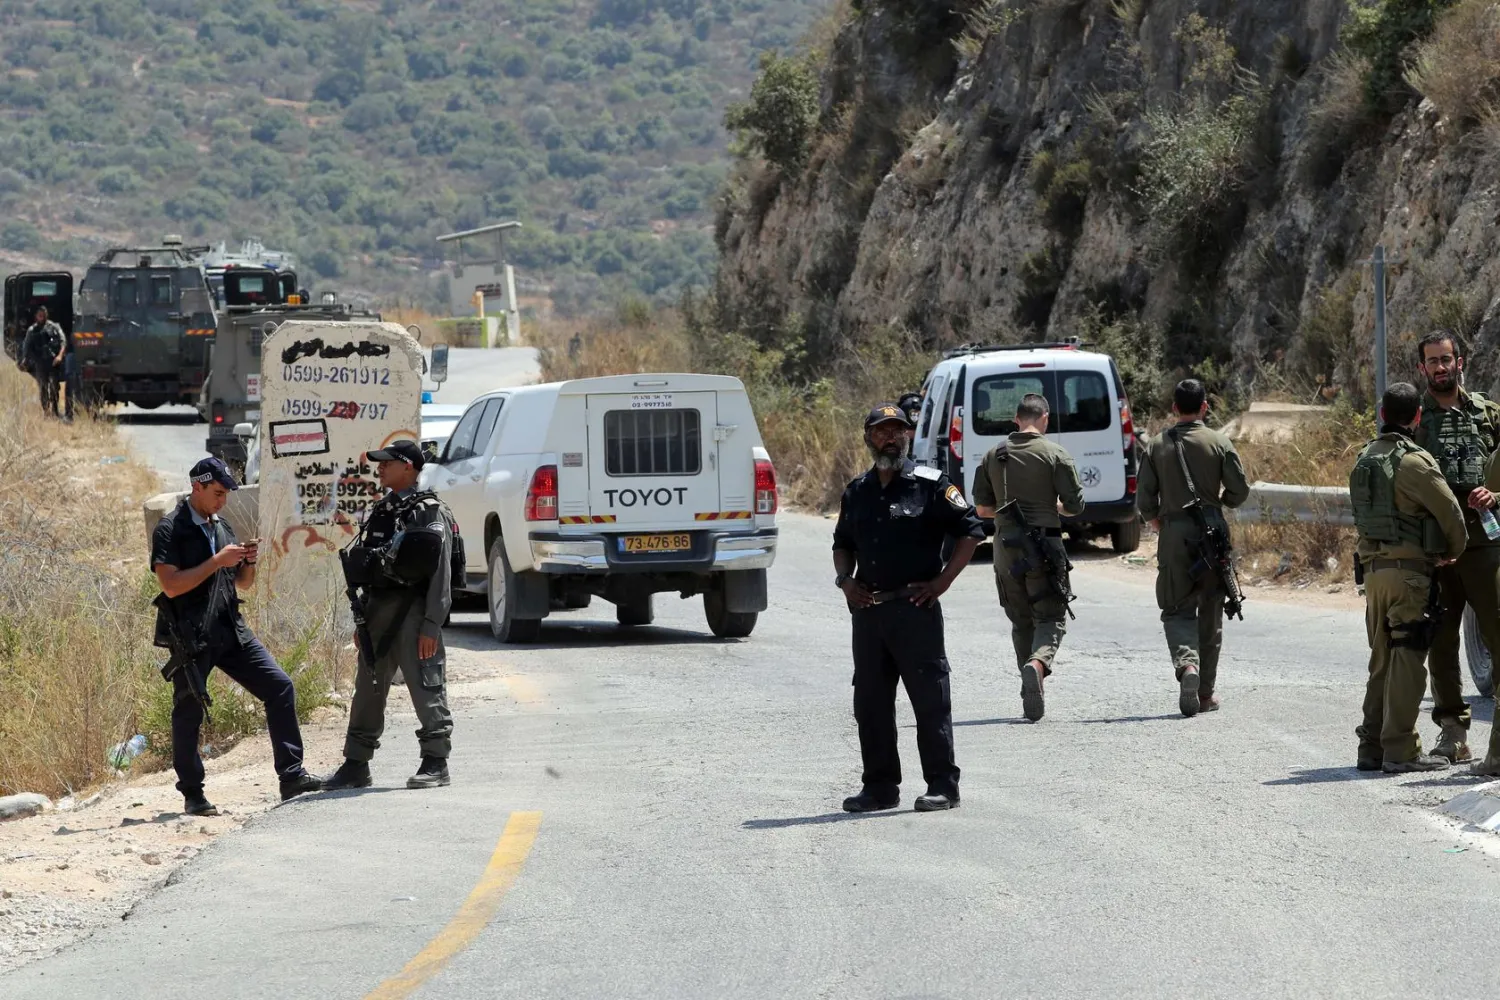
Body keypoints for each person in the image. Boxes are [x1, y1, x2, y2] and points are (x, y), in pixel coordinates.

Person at [832, 403, 984, 813]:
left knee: (929, 701)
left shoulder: (931, 485)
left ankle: (942, 786)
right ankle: (879, 788)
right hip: (869, 616)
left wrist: (942, 582)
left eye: (898, 430)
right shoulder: (857, 491)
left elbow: (971, 531)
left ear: (908, 437)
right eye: (882, 431)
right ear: (868, 438)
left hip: (915, 611)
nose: (891, 437)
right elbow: (842, 544)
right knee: (871, 705)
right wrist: (845, 583)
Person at [150, 458, 322, 816]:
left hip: (232, 630)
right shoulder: (171, 529)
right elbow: (170, 585)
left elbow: (242, 584)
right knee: (188, 710)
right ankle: (193, 793)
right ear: (197, 487)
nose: (221, 501)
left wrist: (248, 562)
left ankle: (291, 775)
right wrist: (217, 561)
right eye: (216, 493)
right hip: (192, 637)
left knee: (280, 686)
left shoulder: (222, 527)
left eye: (225, 494)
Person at [323, 440, 456, 791]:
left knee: (425, 684)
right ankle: (356, 764)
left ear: (408, 468)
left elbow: (441, 573)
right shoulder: (382, 509)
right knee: (367, 688)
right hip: (378, 612)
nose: (379, 469)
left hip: (414, 613)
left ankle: (435, 761)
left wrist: (432, 623)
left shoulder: (429, 511)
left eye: (387, 463)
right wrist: (362, 619)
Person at [1351, 383, 1468, 773]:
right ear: (1417, 417)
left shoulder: (1363, 457)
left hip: (1373, 575)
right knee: (1408, 660)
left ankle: (1370, 746)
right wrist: (1453, 552)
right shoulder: (1415, 462)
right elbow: (1451, 514)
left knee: (1381, 660)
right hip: (1410, 577)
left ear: (1383, 415)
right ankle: (1400, 749)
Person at [1137, 379, 1250, 717]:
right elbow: (1239, 491)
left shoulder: (1156, 446)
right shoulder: (1220, 442)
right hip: (1212, 532)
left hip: (1174, 534)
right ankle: (1204, 695)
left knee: (1176, 608)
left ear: (1175, 409)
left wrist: (1159, 523)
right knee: (1212, 612)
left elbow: (1145, 501)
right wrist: (1218, 505)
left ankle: (1188, 666)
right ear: (1205, 406)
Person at [1413, 331, 1500, 764]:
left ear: (1459, 362)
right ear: (1422, 368)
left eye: (1446, 359)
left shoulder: (1487, 413)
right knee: (1442, 643)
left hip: (1485, 545)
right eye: (1433, 361)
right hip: (1438, 548)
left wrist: (1496, 495)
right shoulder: (1413, 419)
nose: (1441, 367)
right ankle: (1453, 734)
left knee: (1497, 636)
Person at [971, 393, 1085, 721]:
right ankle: (1037, 665)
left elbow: (981, 509)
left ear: (1017, 420)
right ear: (1044, 419)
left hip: (1006, 548)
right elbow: (1075, 506)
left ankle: (1029, 688)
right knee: (1050, 617)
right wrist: (1053, 508)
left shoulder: (993, 455)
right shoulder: (1055, 454)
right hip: (1046, 546)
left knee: (1021, 620)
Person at [20, 306, 65, 417]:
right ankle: (46, 412)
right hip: (40, 362)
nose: (42, 316)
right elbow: (26, 346)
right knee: (43, 387)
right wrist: (24, 359)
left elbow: (63, 342)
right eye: (39, 314)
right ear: (36, 316)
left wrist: (59, 356)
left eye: (43, 314)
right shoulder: (32, 330)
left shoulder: (54, 327)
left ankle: (55, 410)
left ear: (46, 315)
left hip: (53, 361)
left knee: (54, 386)